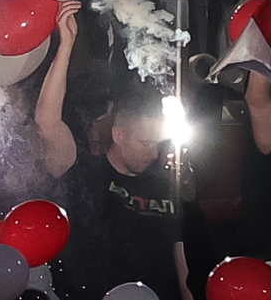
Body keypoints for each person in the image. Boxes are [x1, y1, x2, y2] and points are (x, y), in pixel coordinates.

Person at [34, 72, 186, 300]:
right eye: (146, 143)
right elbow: (47, 123)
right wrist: (64, 51)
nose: (153, 154)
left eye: (157, 145)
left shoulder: (166, 187)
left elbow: (180, 255)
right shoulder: (85, 174)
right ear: (119, 134)